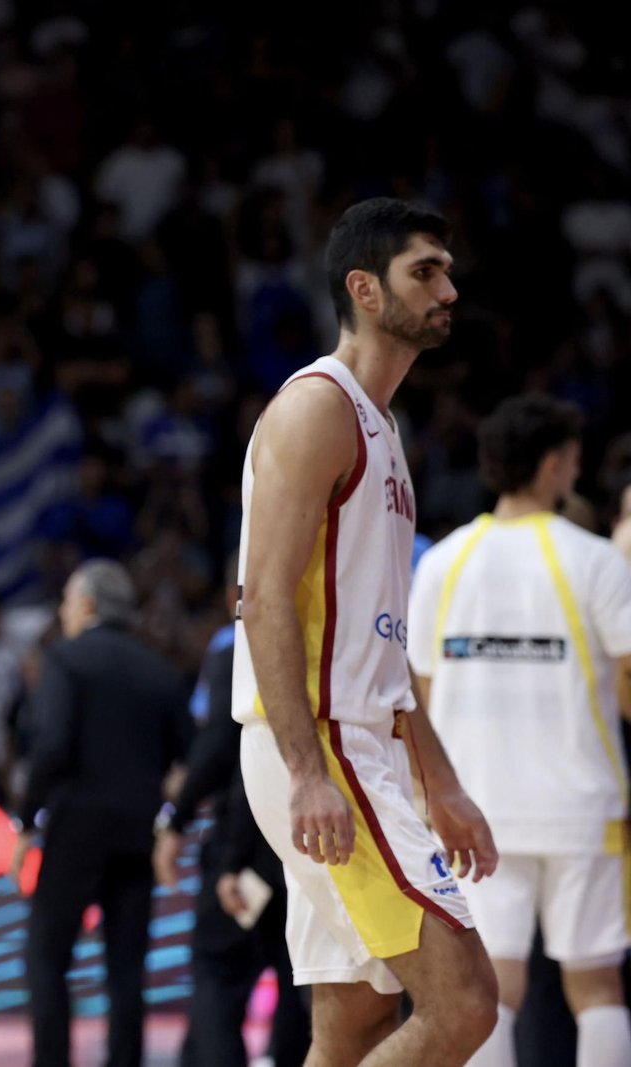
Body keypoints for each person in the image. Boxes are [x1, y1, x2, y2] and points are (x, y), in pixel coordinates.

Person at [232, 198, 501, 1065]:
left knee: (350, 1028)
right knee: (463, 1004)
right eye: (426, 270)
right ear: (365, 288)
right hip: (326, 750)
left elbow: (385, 646)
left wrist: (443, 783)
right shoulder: (318, 407)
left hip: (361, 741)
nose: (449, 288)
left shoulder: (383, 425)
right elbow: (263, 596)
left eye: (448, 269)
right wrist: (309, 768)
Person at [407, 394, 631, 1067]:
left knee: (494, 987)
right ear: (556, 465)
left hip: (478, 809)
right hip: (581, 805)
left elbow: (418, 695)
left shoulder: (443, 562)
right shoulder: (594, 558)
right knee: (596, 985)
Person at [10, 559, 194, 1067]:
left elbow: (51, 746)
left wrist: (27, 820)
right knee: (126, 967)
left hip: (76, 830)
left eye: (67, 600)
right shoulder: (159, 670)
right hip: (137, 833)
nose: (64, 611)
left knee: (47, 957)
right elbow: (190, 755)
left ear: (87, 604)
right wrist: (168, 817)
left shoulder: (66, 659)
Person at [158, 564, 309, 1067]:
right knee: (298, 979)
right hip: (307, 848)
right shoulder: (319, 643)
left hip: (248, 841)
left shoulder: (237, 649)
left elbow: (224, 753)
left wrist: (179, 824)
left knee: (219, 975)